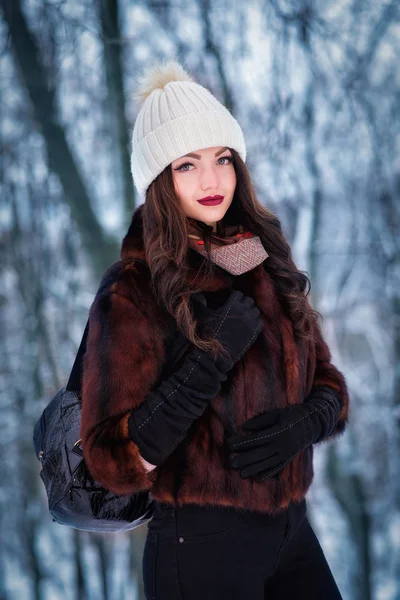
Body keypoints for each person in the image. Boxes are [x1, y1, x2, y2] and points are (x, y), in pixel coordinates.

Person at [80, 59, 350, 600]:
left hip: (292, 532)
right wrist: (208, 360)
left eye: (222, 159)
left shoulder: (261, 257)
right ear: (159, 180)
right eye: (186, 165)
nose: (211, 180)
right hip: (201, 548)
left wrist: (311, 420)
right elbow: (112, 460)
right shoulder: (134, 288)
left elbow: (328, 381)